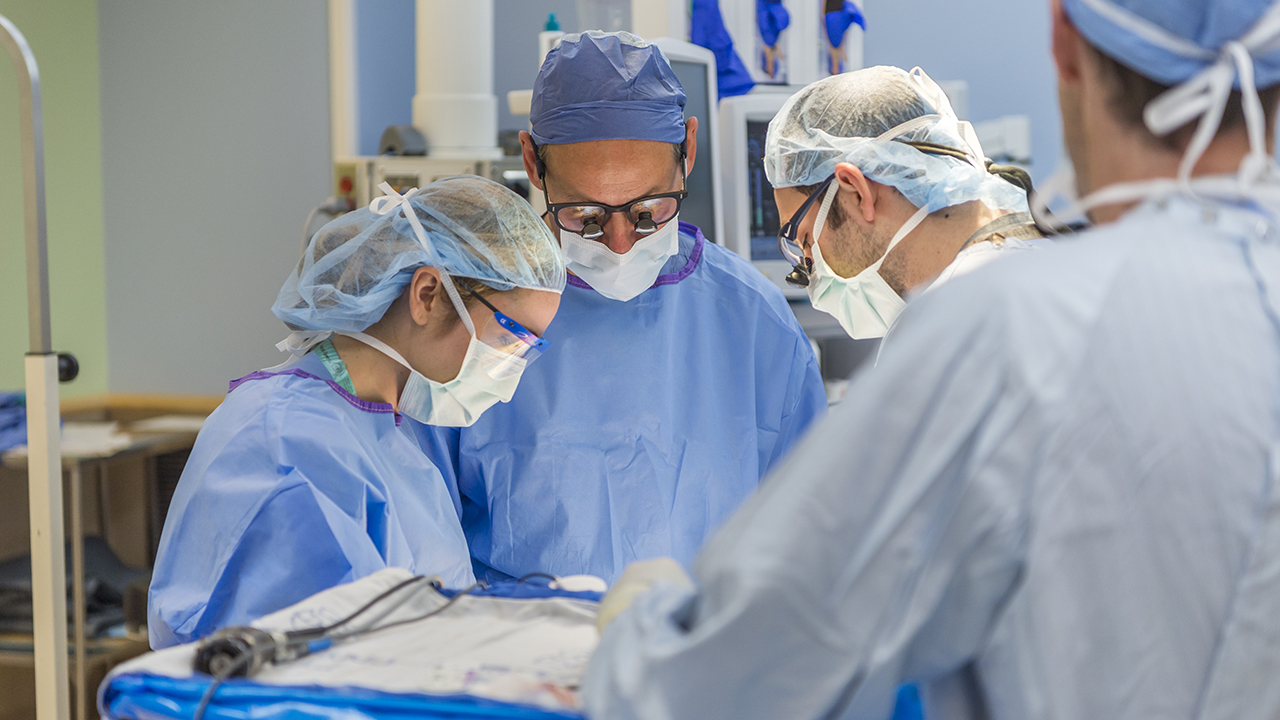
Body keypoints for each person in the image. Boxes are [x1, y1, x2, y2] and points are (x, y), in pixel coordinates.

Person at [584, 1, 1280, 718]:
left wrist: (644, 629)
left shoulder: (997, 330)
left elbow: (759, 664)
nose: (806, 269)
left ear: (1064, 41)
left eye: (801, 241)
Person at [426, 31, 826, 585]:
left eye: (648, 211)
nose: (619, 244)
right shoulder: (474, 316)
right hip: (516, 635)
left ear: (688, 152)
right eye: (586, 215)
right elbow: (426, 537)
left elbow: (806, 536)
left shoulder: (755, 322)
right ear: (533, 164)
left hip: (696, 634)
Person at [148, 176, 565, 649]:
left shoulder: (391, 435)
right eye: (509, 337)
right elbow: (291, 668)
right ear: (427, 294)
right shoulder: (286, 442)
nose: (508, 375)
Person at [771, 65, 1046, 342]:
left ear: (857, 192)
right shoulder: (1036, 264)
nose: (809, 276)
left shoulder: (960, 329)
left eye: (805, 240)